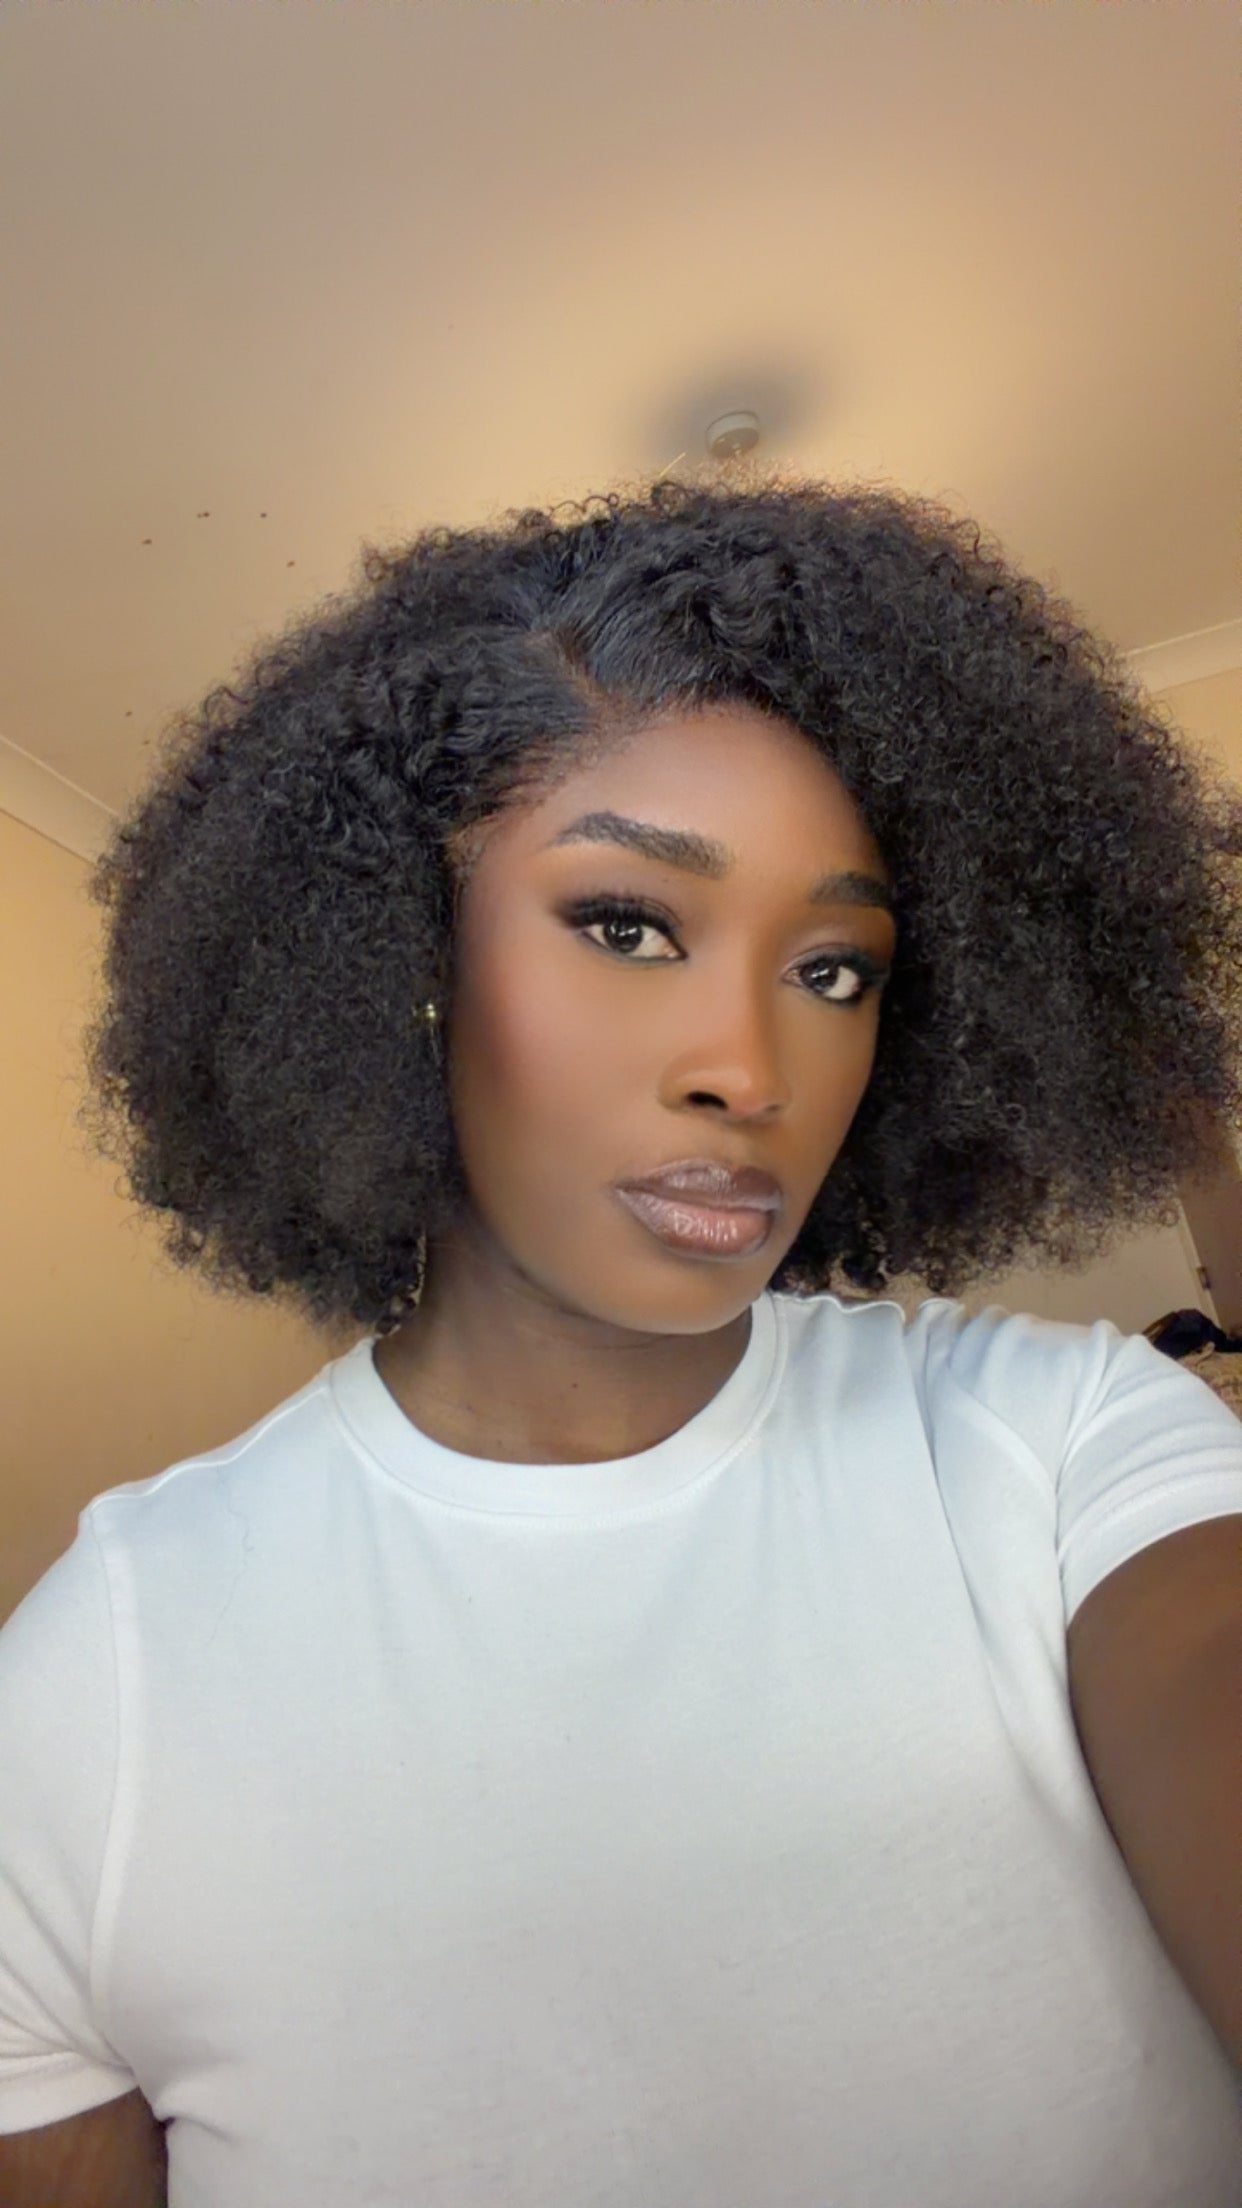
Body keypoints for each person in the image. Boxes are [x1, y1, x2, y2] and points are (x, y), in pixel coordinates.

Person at [2, 474, 1241, 2206]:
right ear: (398, 960)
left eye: (834, 969)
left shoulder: (1071, 1444)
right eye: (627, 926)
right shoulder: (99, 1683)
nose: (749, 1068)